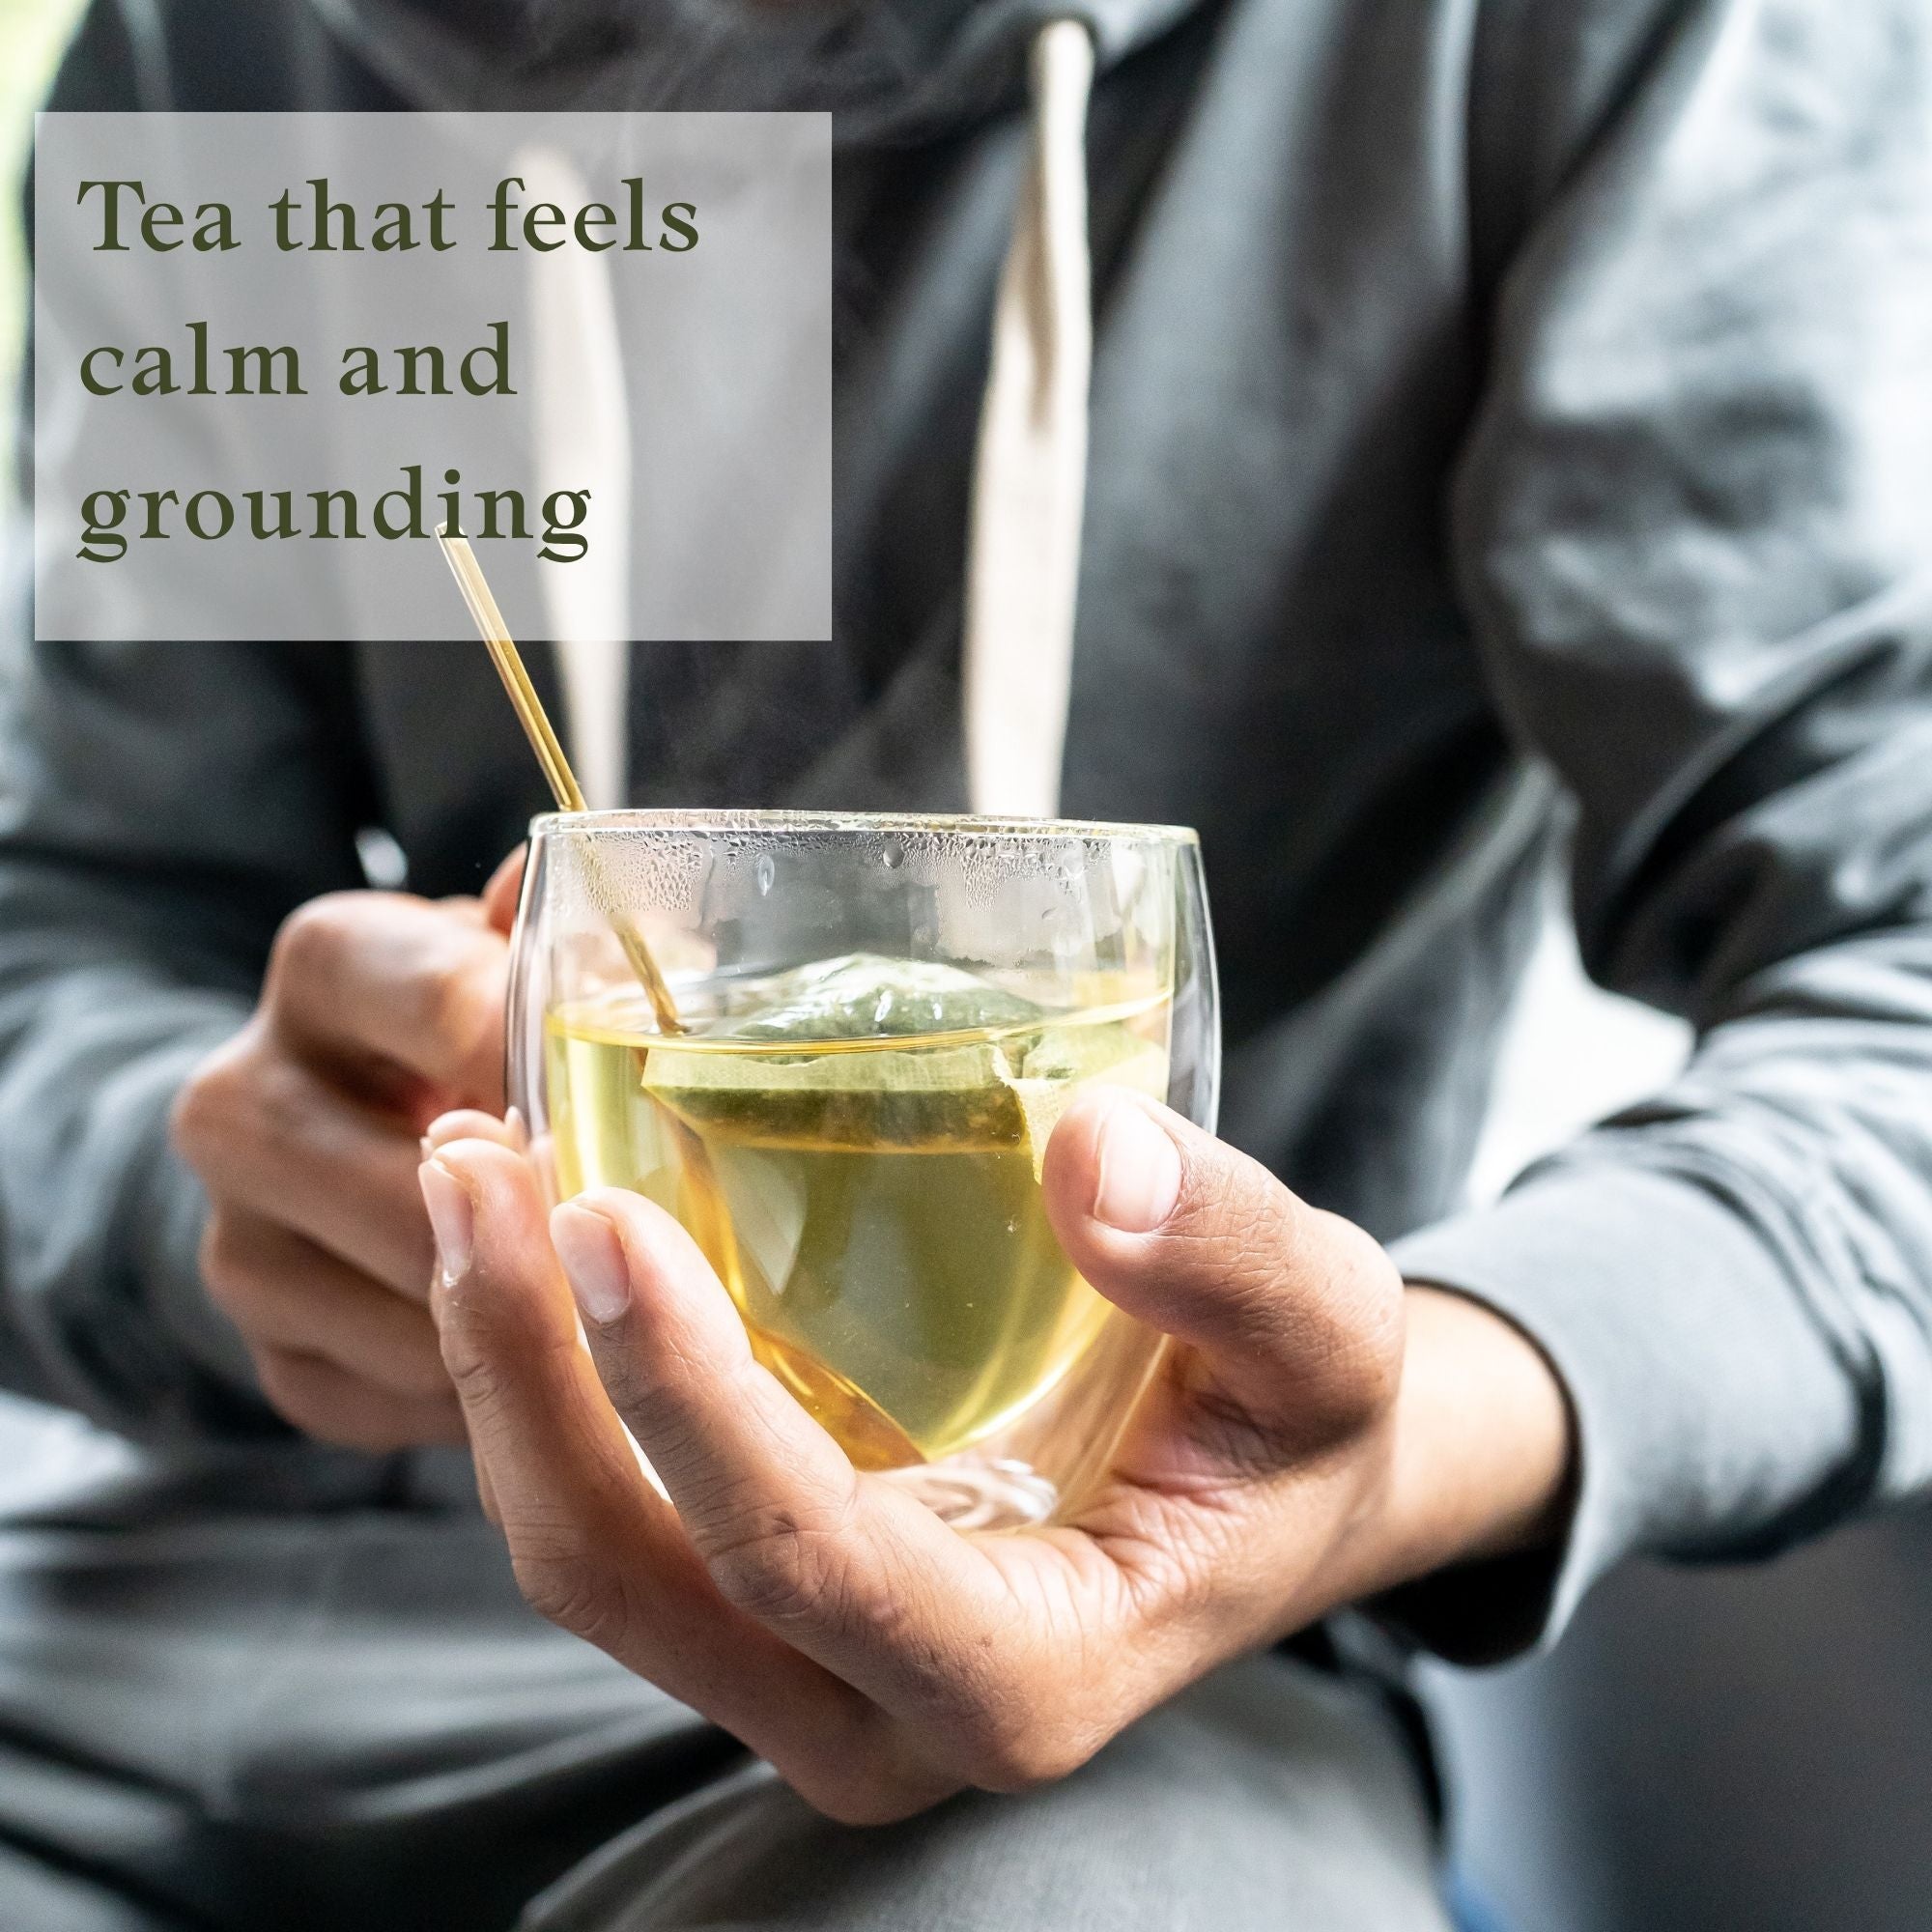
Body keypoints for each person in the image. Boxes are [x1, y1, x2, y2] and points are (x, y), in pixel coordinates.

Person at [3, 0, 1931, 1925]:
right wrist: (220, 1200)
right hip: (174, 1610)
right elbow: (66, 941)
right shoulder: (217, 52)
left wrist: (1380, 1438)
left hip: (1109, 1663)